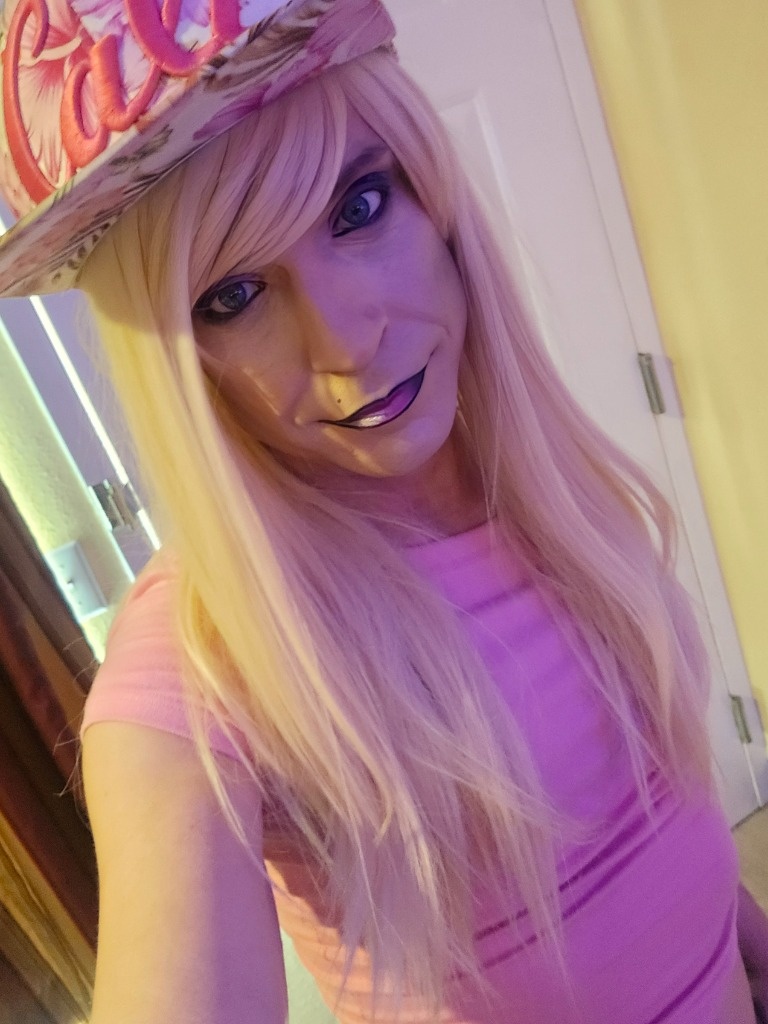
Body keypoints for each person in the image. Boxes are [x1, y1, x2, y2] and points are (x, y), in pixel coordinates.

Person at [0, 0, 766, 1021]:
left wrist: (739, 938)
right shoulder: (205, 662)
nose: (347, 341)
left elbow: (665, 824)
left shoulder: (539, 483)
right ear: (176, 360)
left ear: (430, 196)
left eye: (358, 206)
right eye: (232, 296)